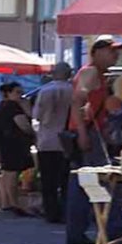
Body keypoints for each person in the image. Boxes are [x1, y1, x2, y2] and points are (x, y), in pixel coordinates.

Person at [66, 35, 122, 244]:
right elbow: (77, 101)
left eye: (116, 51)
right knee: (102, 180)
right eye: (111, 51)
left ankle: (79, 231)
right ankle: (115, 228)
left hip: (94, 132)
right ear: (96, 52)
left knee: (84, 182)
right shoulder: (90, 72)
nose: (115, 56)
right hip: (89, 134)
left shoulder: (99, 75)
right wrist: (82, 133)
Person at [32, 61, 74, 224]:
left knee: (48, 180)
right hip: (68, 140)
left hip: (47, 139)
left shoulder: (45, 90)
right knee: (66, 179)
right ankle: (67, 210)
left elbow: (38, 115)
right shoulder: (73, 90)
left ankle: (51, 212)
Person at [0, 82, 36, 216]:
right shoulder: (13, 107)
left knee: (6, 173)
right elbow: (24, 125)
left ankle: (6, 202)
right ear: (9, 93)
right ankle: (13, 203)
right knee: (12, 173)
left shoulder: (2, 106)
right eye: (17, 92)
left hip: (5, 142)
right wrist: (33, 132)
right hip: (15, 143)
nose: (21, 95)